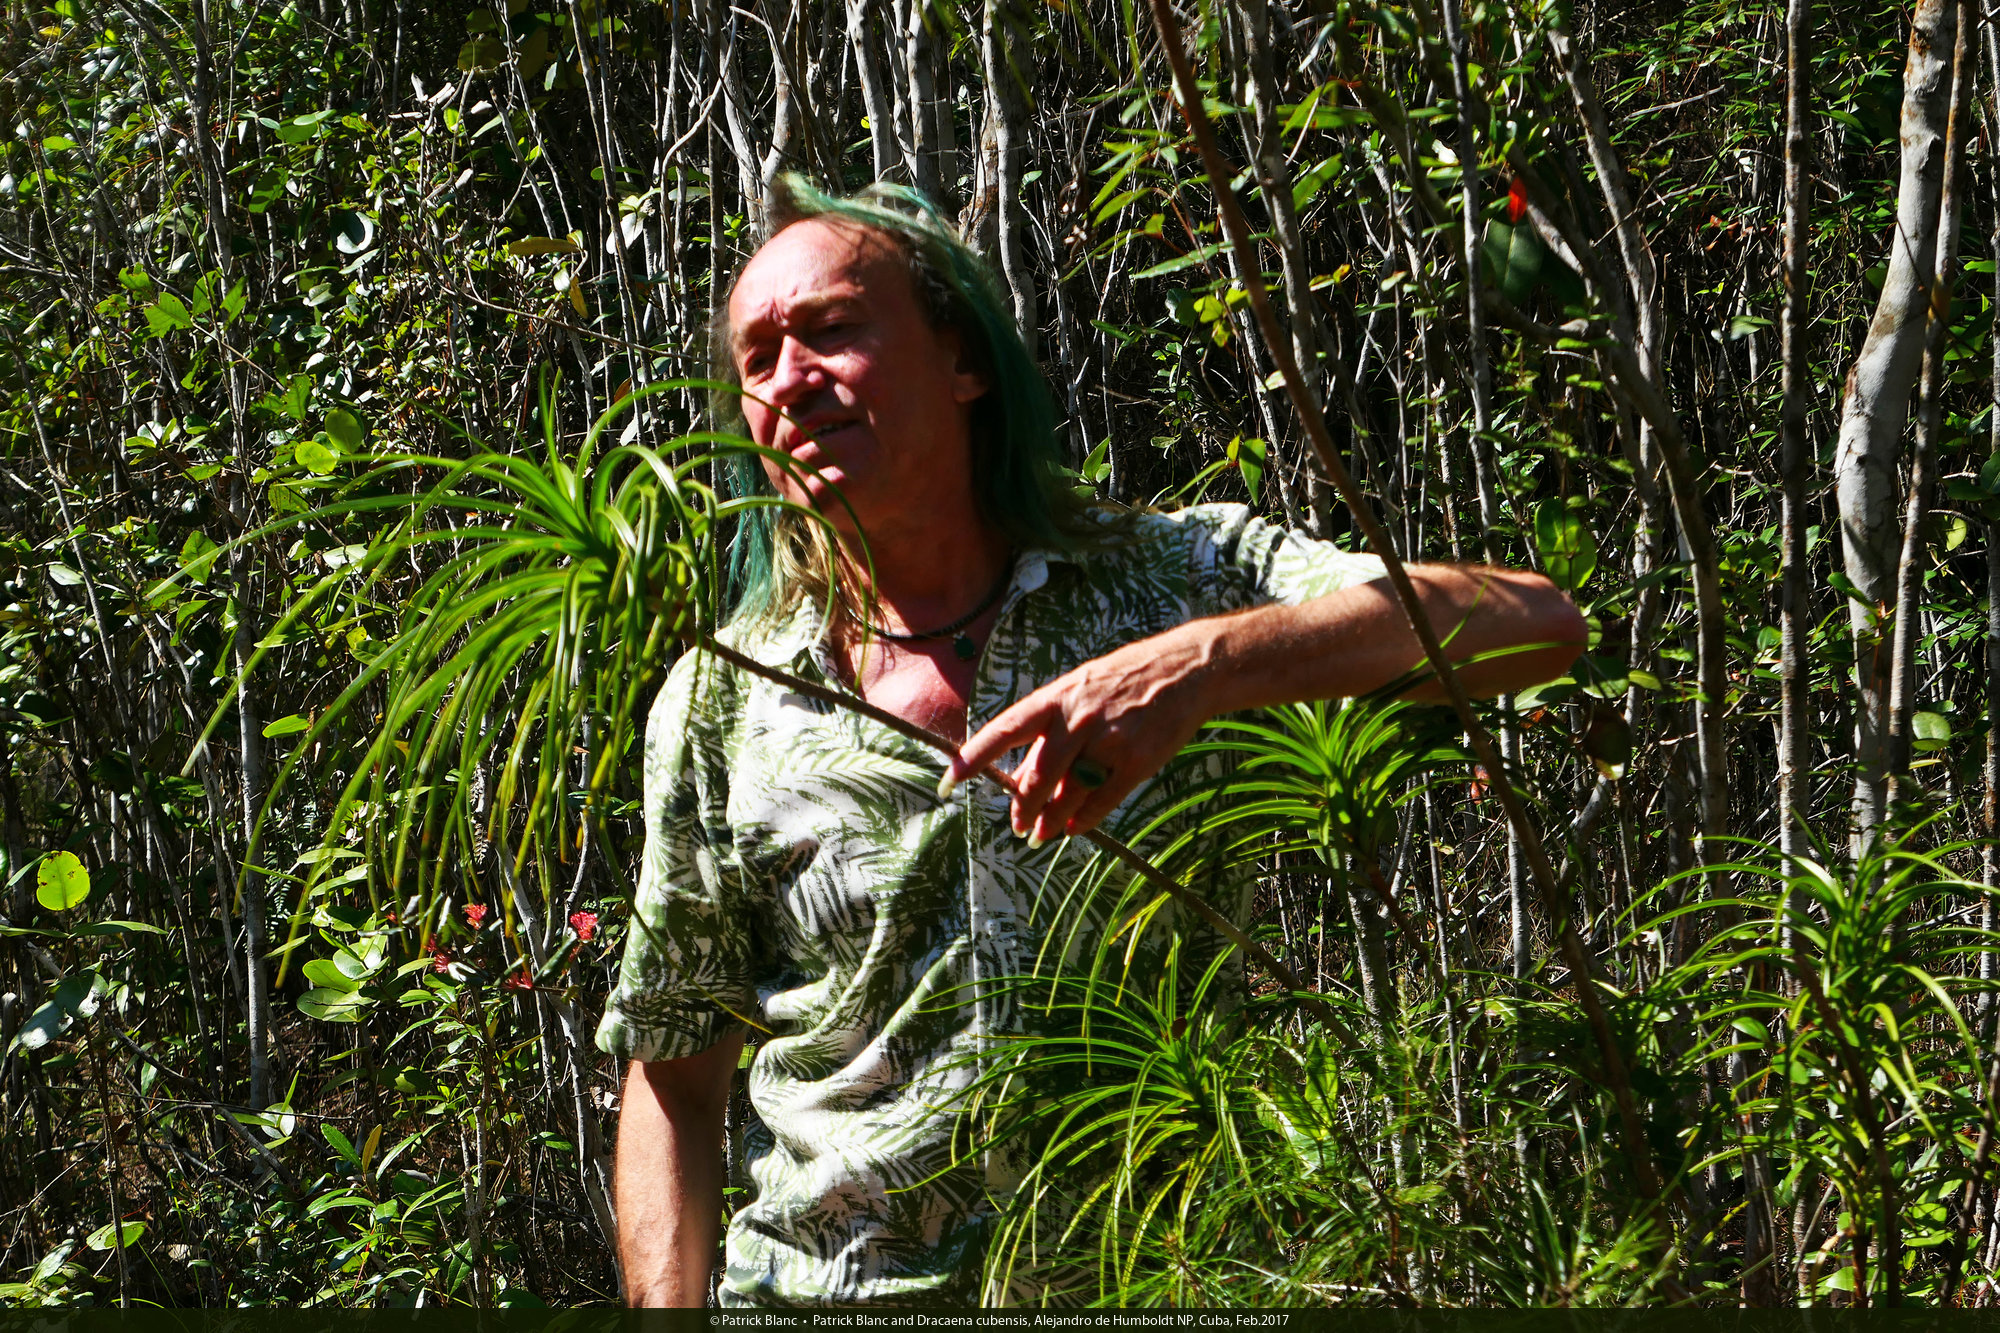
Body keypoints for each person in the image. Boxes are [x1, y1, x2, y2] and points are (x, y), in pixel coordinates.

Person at [596, 176, 1585, 1307]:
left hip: (1161, 1282)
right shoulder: (724, 695)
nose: (790, 379)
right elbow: (675, 1073)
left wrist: (1200, 668)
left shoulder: (1177, 581)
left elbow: (1533, 626)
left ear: (963, 362)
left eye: (831, 330)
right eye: (758, 358)